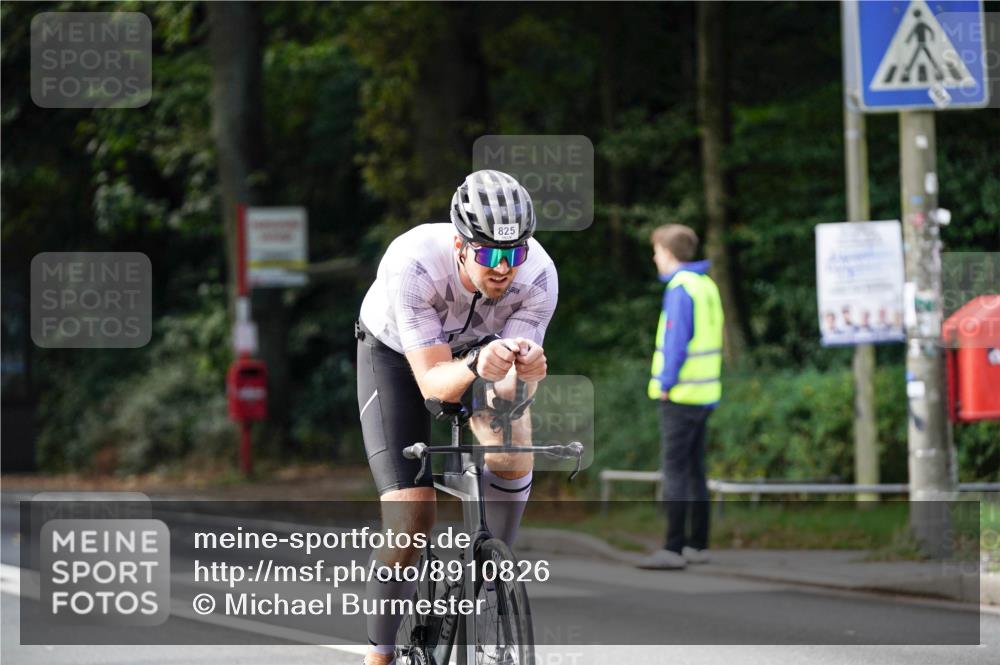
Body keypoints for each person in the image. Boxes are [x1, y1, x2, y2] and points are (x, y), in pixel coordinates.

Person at [355, 169, 558, 665]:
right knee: (412, 516)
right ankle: (379, 653)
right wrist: (474, 363)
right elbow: (432, 387)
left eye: (514, 253)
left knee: (512, 446)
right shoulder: (414, 264)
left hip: (479, 355)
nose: (504, 268)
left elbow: (509, 394)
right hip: (399, 357)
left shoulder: (540, 277)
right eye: (490, 253)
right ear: (462, 244)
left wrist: (524, 373)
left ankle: (493, 578)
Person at [639, 224, 723, 570]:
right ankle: (697, 544)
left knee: (674, 471)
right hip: (706, 392)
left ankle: (673, 548)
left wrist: (665, 383)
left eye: (657, 251)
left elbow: (676, 343)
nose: (655, 258)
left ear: (669, 253)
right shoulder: (706, 285)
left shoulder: (680, 288)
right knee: (695, 470)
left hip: (681, 393)